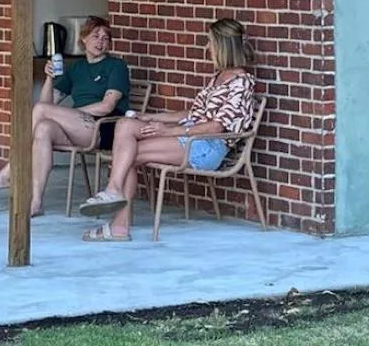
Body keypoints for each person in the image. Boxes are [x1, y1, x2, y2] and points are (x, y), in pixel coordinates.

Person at [77, 16, 256, 241]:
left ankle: (118, 219)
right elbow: (192, 115)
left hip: (207, 146)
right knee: (125, 125)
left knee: (126, 155)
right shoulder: (219, 77)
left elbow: (217, 126)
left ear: (223, 45)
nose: (207, 47)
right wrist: (149, 116)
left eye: (210, 42)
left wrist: (168, 131)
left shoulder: (241, 82)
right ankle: (114, 201)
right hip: (190, 137)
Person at [0, 16, 130, 216]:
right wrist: (49, 78)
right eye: (95, 36)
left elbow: (107, 106)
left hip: (103, 127)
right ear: (83, 39)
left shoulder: (116, 66)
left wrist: (72, 114)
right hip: (78, 127)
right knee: (43, 128)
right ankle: (36, 202)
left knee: (40, 112)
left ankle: (10, 171)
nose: (100, 41)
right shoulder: (77, 68)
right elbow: (49, 103)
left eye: (105, 38)